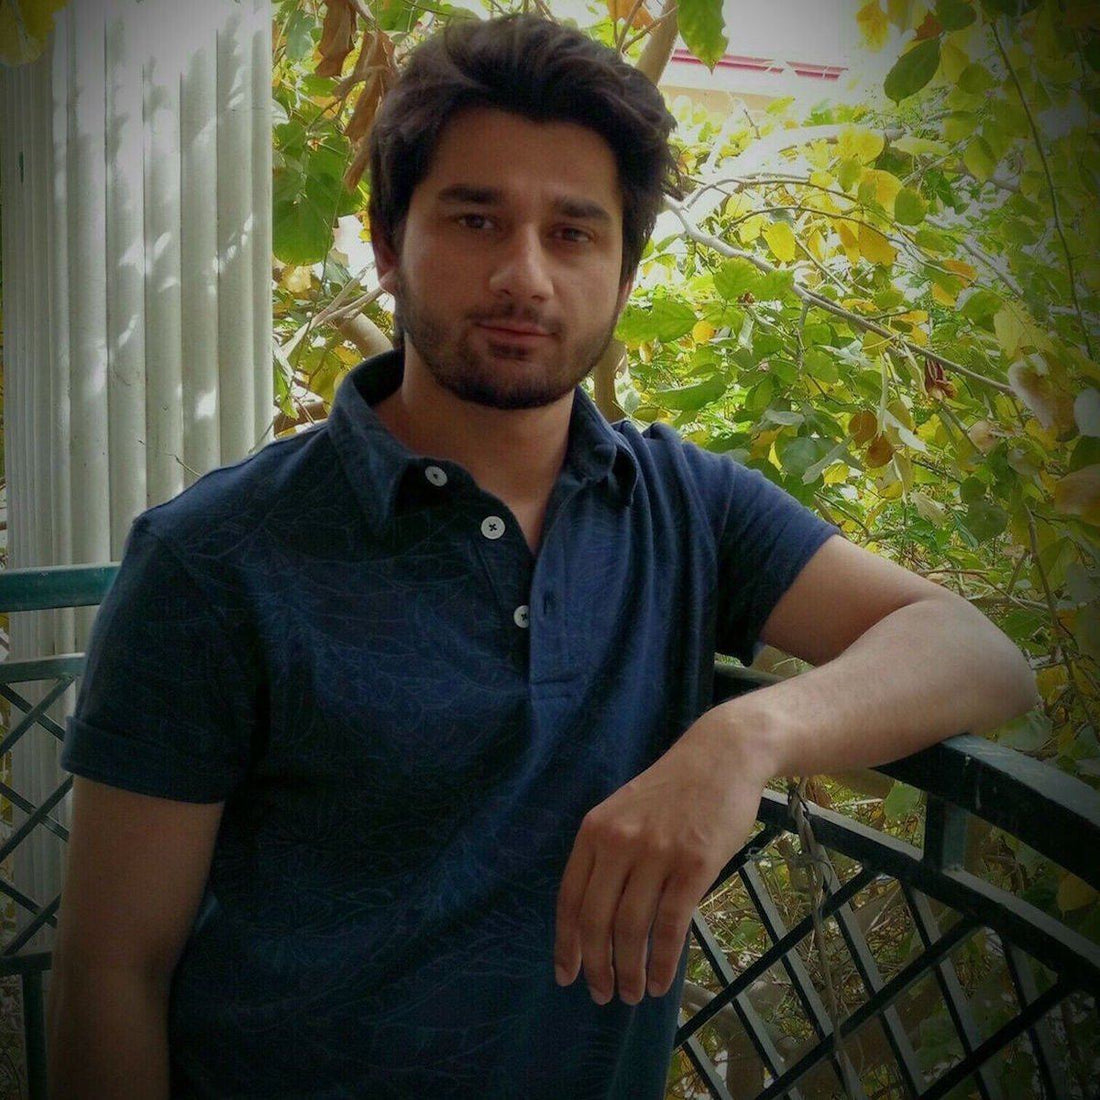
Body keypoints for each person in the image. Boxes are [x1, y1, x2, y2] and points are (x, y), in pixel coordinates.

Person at [48, 14, 1037, 1099]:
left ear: (623, 273)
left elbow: (977, 653)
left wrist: (744, 736)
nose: (524, 275)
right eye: (476, 219)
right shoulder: (212, 559)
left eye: (572, 233)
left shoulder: (684, 507)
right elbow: (114, 970)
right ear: (388, 245)